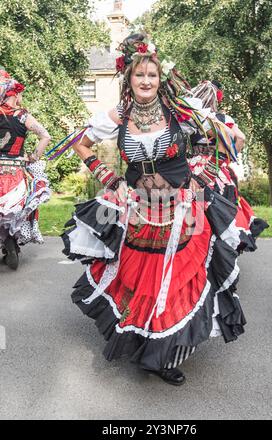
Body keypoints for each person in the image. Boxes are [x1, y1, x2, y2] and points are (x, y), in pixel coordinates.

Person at [61, 34, 249, 386]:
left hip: (181, 212)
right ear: (128, 79)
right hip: (138, 211)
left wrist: (199, 179)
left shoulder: (181, 112)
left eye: (152, 75)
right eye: (139, 75)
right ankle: (144, 342)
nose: (146, 81)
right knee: (141, 281)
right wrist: (110, 179)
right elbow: (80, 143)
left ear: (160, 78)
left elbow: (231, 140)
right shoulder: (120, 114)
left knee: (174, 282)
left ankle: (163, 356)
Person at [188, 79, 268, 252]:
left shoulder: (190, 117)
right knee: (223, 206)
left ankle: (197, 244)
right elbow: (241, 138)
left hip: (194, 166)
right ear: (216, 99)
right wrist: (227, 158)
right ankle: (222, 244)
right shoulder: (223, 119)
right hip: (216, 167)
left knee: (195, 207)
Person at [0, 69, 51, 270]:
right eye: (20, 94)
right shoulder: (22, 116)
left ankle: (9, 247)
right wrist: (34, 156)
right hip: (16, 174)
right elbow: (45, 136)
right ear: (14, 94)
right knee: (12, 212)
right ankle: (11, 245)